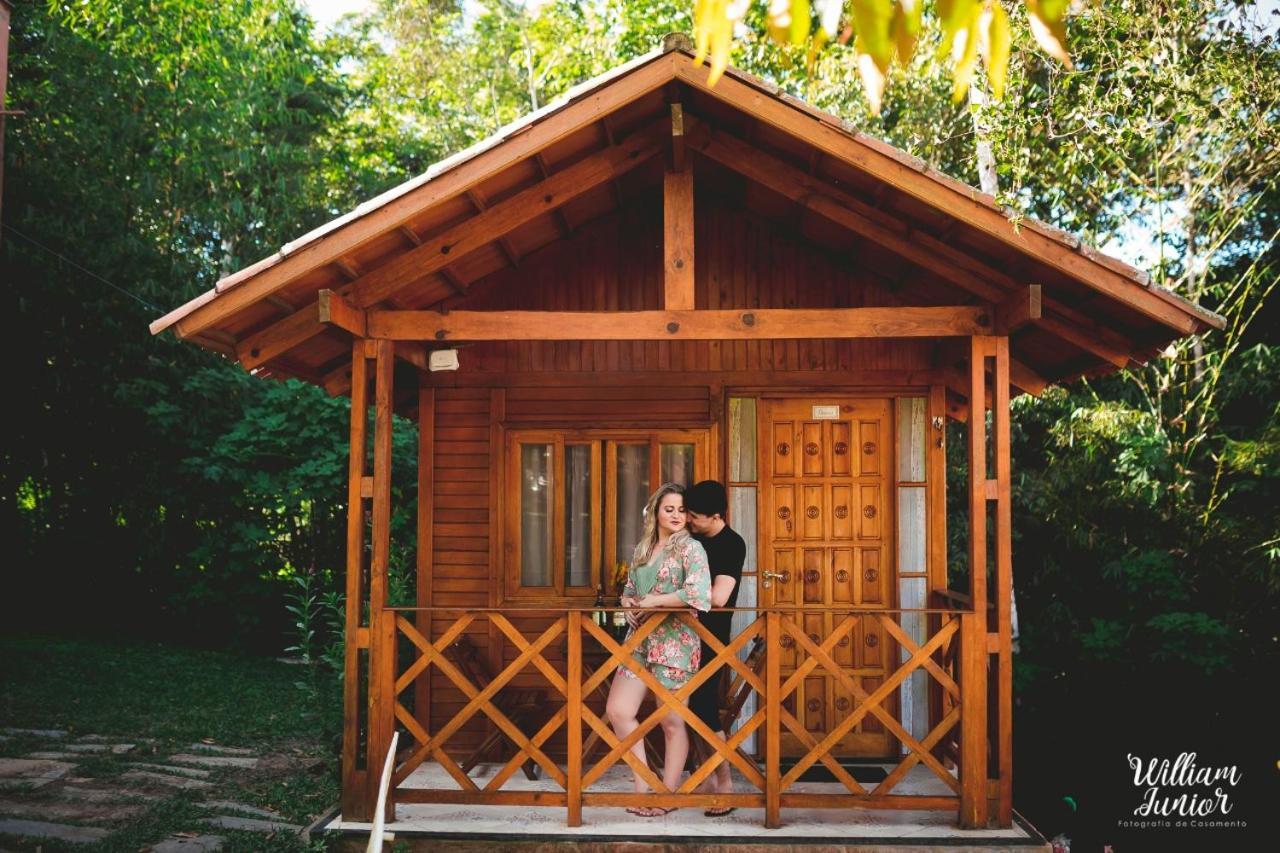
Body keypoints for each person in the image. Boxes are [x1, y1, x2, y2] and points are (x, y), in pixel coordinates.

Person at [605, 483, 712, 817]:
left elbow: (698, 594)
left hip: (675, 642)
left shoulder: (692, 549)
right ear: (656, 512)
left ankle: (666, 796)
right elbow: (630, 589)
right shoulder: (642, 549)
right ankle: (643, 786)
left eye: (682, 510)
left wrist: (655, 601)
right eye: (670, 509)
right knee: (618, 710)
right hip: (639, 642)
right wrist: (627, 604)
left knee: (671, 721)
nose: (677, 515)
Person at [683, 479, 747, 816]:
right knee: (686, 707)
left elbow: (719, 597)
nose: (689, 520)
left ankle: (725, 783)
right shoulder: (690, 539)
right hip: (681, 636)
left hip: (711, 639)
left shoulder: (732, 544)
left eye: (695, 516)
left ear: (715, 515)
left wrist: (674, 595)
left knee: (705, 707)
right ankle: (705, 777)